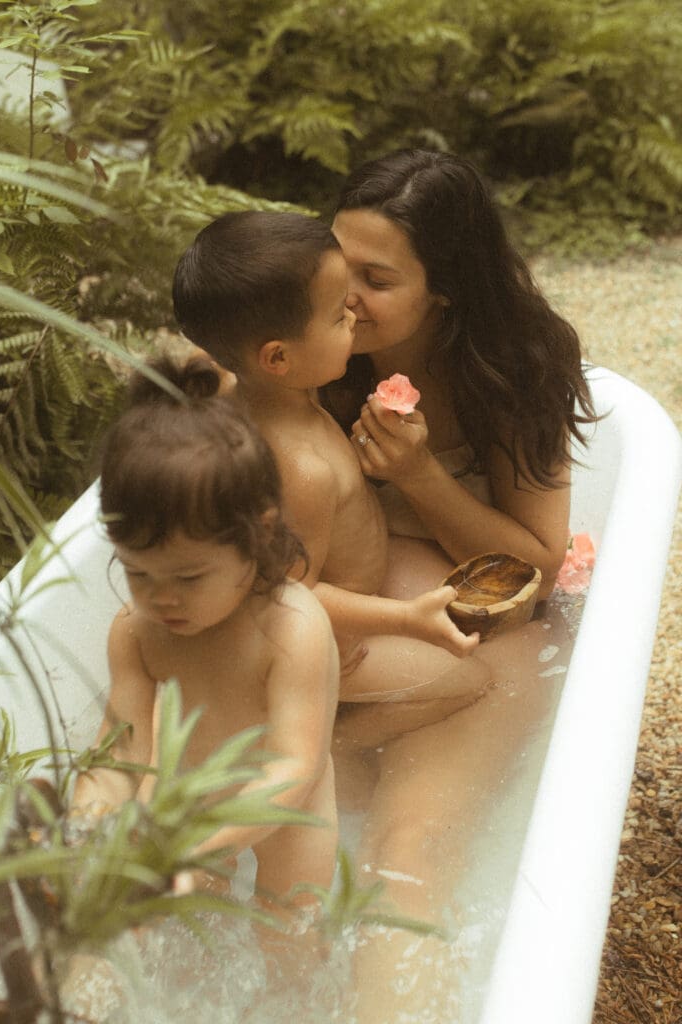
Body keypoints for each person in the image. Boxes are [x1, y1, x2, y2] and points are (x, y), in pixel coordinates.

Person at [315, 148, 599, 1022]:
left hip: (489, 639)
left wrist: (420, 475)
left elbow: (539, 569)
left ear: (444, 290)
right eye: (337, 264)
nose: (346, 296)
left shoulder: (512, 368)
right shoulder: (315, 347)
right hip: (362, 646)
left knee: (405, 857)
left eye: (376, 279)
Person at [172, 210, 491, 727]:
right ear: (278, 358)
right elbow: (291, 594)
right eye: (339, 317)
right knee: (475, 683)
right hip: (330, 644)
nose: (353, 317)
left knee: (478, 635)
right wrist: (405, 619)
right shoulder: (303, 469)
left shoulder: (256, 392)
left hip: (341, 610)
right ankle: (340, 747)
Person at [72, 354, 340, 913]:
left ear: (259, 532)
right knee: (184, 933)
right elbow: (123, 745)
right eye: (137, 573)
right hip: (193, 796)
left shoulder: (291, 629)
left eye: (189, 577)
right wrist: (85, 823)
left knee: (290, 929)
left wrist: (198, 847)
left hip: (288, 807)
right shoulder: (137, 632)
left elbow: (292, 764)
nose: (161, 598)